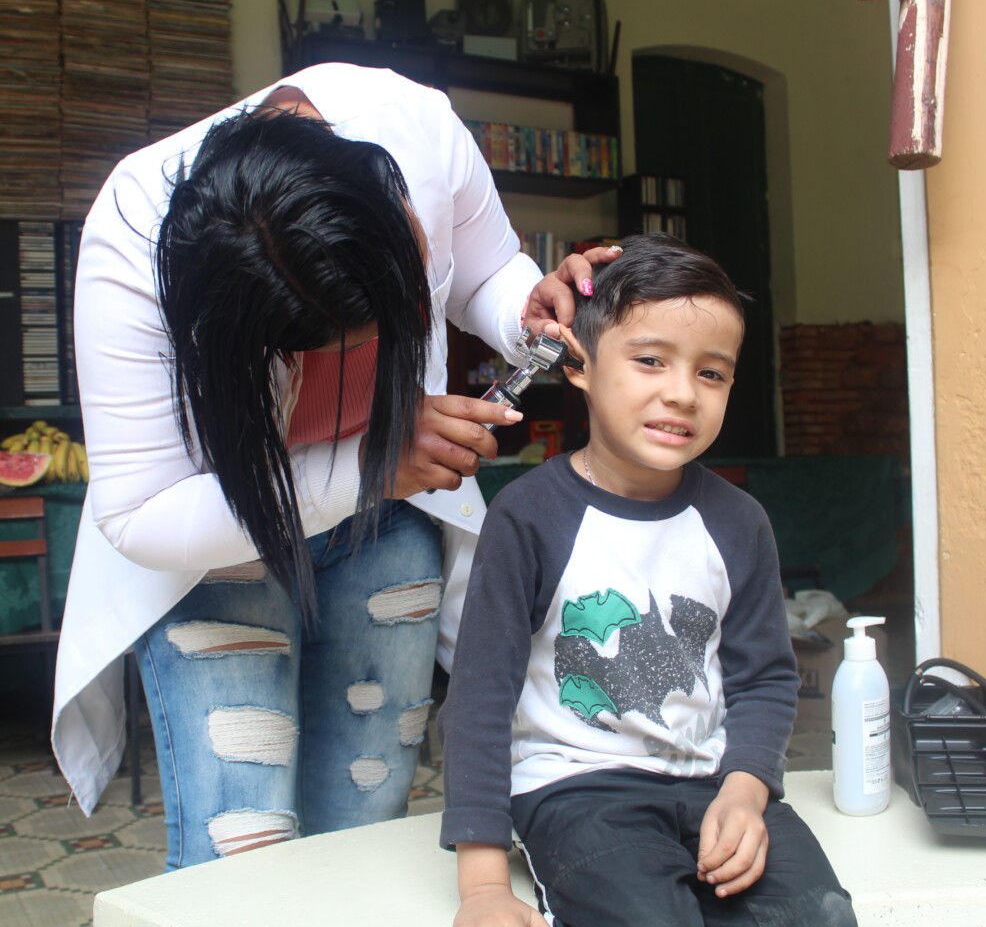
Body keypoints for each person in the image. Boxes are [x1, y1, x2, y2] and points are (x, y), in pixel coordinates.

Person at [51, 62, 618, 870]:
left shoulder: (411, 124)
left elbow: (487, 268)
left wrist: (520, 310)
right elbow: (140, 513)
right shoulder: (131, 244)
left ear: (383, 184)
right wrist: (366, 466)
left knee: (363, 825)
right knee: (238, 849)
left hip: (382, 532)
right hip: (213, 551)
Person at [439, 233, 857, 927]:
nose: (681, 393)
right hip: (577, 789)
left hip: (711, 781)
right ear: (579, 364)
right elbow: (481, 695)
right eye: (651, 360)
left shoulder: (739, 522)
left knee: (821, 915)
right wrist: (483, 884)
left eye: (712, 373)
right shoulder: (529, 516)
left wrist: (747, 791)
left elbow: (764, 677)